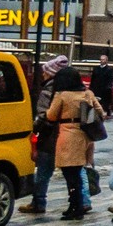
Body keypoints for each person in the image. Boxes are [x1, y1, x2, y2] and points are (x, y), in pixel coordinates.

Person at [43, 68, 103, 220]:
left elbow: (51, 115)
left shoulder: (62, 95)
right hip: (85, 136)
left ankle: (76, 206)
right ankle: (77, 204)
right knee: (77, 172)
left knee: (70, 174)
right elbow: (100, 112)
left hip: (68, 135)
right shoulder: (87, 93)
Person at [22, 56, 72, 214]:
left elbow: (44, 115)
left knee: (43, 171)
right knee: (72, 173)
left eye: (45, 73)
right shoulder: (74, 90)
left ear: (51, 74)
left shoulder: (48, 91)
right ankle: (82, 201)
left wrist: (34, 128)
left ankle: (38, 202)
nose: (43, 75)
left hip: (49, 137)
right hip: (69, 135)